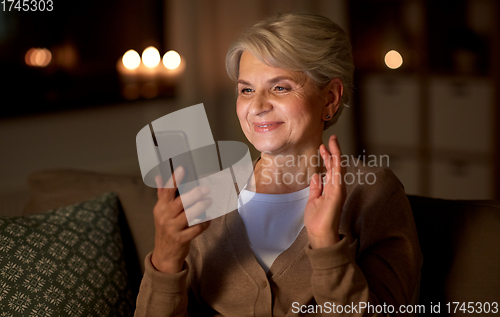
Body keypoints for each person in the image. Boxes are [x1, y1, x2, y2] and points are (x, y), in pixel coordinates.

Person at [135, 12, 422, 316]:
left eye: (280, 87)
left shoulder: (373, 193)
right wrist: (166, 259)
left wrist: (326, 246)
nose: (257, 106)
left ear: (330, 99)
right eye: (246, 89)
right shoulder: (205, 191)